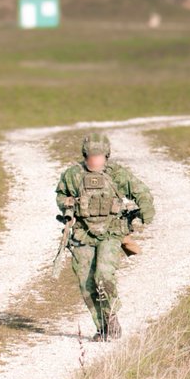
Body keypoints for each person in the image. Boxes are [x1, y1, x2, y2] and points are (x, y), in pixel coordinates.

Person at [55, 129, 154, 340]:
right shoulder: (73, 175)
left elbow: (141, 191)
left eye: (99, 156)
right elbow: (61, 196)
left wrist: (146, 208)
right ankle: (103, 327)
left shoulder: (116, 174)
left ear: (106, 156)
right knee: (86, 282)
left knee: (103, 276)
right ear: (84, 155)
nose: (95, 160)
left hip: (111, 232)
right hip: (83, 235)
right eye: (91, 156)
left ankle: (111, 317)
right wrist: (68, 205)